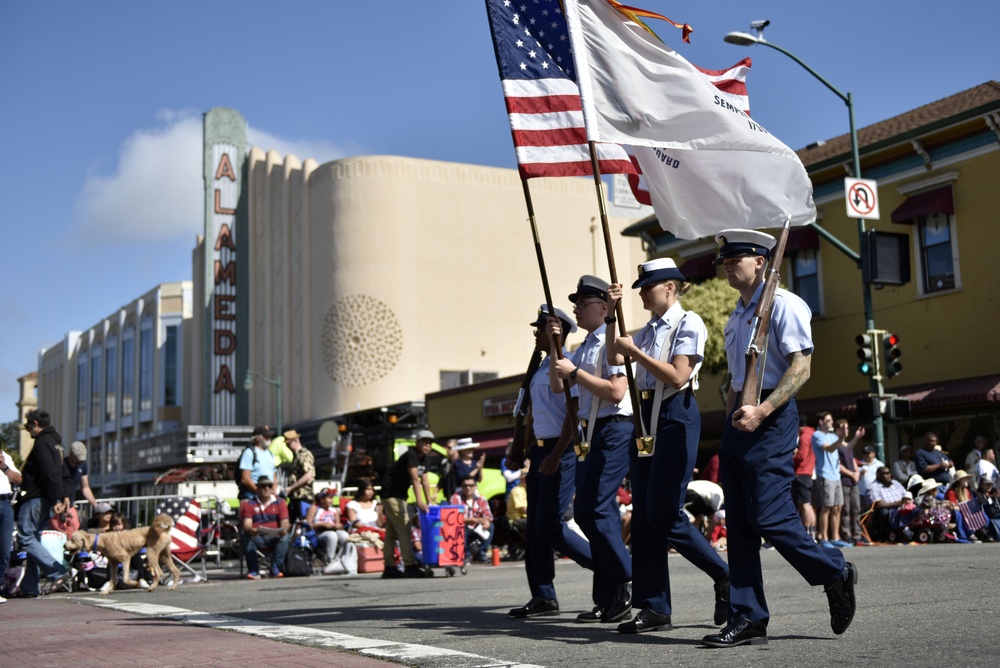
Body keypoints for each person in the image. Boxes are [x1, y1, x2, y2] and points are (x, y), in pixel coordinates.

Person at [702, 230, 856, 649]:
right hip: (739, 422)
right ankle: (748, 615)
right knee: (740, 527)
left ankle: (834, 570)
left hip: (771, 418)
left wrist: (763, 411)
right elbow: (737, 379)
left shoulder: (785, 305)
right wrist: (729, 425)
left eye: (738, 258)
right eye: (725, 260)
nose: (729, 266)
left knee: (769, 516)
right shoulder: (736, 316)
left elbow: (801, 368)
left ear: (761, 261)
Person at [607, 260, 731, 633]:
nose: (642, 291)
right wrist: (614, 315)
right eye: (640, 286)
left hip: (675, 414)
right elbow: (615, 357)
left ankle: (724, 574)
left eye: (649, 285)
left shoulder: (688, 323)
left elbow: (677, 375)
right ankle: (654, 606)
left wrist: (636, 353)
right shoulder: (647, 330)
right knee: (644, 515)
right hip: (645, 415)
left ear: (671, 287)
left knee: (664, 511)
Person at [549, 275, 633, 625]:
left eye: (583, 304)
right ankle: (609, 595)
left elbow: (615, 392)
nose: (576, 309)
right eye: (576, 304)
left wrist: (576, 371)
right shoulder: (584, 346)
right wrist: (557, 345)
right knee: (595, 513)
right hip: (591, 431)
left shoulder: (610, 342)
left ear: (603, 307)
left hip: (614, 427)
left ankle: (628, 579)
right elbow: (558, 386)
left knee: (591, 509)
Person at [508, 304, 594, 620]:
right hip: (541, 453)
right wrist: (523, 448)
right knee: (535, 529)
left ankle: (608, 568)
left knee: (551, 525)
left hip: (563, 451)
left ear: (555, 332)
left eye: (540, 328)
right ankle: (543, 595)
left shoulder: (566, 367)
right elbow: (535, 417)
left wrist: (557, 454)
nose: (535, 333)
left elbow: (573, 417)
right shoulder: (541, 368)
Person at [14, 409, 73, 598]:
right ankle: (30, 586)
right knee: (34, 540)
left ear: (36, 424)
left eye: (28, 426)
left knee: (25, 537)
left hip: (35, 497)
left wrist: (56, 497)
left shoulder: (42, 443)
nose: (28, 430)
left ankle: (58, 571)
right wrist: (62, 496)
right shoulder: (56, 445)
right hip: (45, 498)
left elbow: (49, 473)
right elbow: (63, 474)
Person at [380, 430, 434, 578]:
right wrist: (420, 501)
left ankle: (389, 568)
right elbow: (415, 479)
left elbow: (425, 481)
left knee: (391, 533)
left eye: (429, 443)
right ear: (417, 443)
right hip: (391, 493)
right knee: (405, 528)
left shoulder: (424, 459)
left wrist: (430, 501)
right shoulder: (412, 455)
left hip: (399, 495)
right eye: (424, 442)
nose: (427, 445)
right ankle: (410, 566)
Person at [240, 475, 291, 579]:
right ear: (257, 488)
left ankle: (275, 567)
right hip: (257, 536)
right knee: (247, 536)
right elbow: (247, 524)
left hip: (275, 536)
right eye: (263, 486)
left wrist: (283, 530)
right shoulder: (248, 504)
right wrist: (251, 529)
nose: (267, 488)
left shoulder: (281, 503)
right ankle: (254, 570)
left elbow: (285, 522)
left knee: (285, 537)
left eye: (269, 486)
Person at [812, 413, 845, 547]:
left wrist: (856, 437)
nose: (831, 422)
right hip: (825, 474)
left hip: (836, 476)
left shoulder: (833, 436)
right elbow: (830, 449)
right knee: (827, 506)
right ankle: (824, 537)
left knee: (837, 507)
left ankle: (835, 538)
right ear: (821, 422)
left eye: (832, 419)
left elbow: (847, 448)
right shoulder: (817, 435)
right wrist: (842, 437)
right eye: (828, 420)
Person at [305, 488, 351, 574]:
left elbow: (338, 524)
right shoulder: (315, 508)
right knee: (332, 536)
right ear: (322, 499)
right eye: (329, 498)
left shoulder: (334, 510)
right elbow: (308, 524)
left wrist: (338, 525)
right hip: (318, 532)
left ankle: (344, 558)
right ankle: (330, 560)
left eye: (332, 498)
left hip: (333, 530)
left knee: (344, 535)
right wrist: (322, 524)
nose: (332, 500)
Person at [450, 475, 495, 563]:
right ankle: (466, 555)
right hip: (463, 527)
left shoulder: (481, 498)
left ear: (475, 487)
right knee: (460, 527)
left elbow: (489, 515)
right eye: (465, 486)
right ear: (461, 487)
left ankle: (482, 554)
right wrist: (473, 520)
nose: (468, 488)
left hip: (477, 528)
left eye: (471, 485)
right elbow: (454, 518)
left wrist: (486, 521)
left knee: (491, 526)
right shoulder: (455, 498)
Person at [0, 447, 23, 603]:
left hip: (5, 503)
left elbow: (19, 479)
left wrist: (4, 466)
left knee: (4, 549)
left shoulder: (5, 457)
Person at [837, 421, 864, 547]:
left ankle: (857, 535)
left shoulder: (847, 445)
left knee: (856, 509)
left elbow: (853, 461)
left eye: (847, 428)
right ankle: (846, 534)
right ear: (837, 430)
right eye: (843, 428)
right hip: (844, 481)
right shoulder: (836, 445)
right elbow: (838, 465)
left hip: (853, 482)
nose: (846, 430)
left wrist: (857, 472)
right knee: (845, 510)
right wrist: (851, 474)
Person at [865, 467, 906, 541]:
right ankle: (884, 535)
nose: (889, 475)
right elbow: (877, 505)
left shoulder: (896, 483)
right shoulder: (873, 487)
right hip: (884, 513)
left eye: (889, 473)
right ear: (879, 475)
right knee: (884, 512)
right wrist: (897, 503)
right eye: (886, 474)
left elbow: (906, 495)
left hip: (901, 508)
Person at [283, 430, 315, 523]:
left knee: (302, 522)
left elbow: (308, 474)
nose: (287, 446)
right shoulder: (296, 456)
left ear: (296, 440)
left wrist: (291, 488)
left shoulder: (304, 454)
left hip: (303, 496)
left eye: (289, 443)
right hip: (296, 497)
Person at [793, 414, 817, 541]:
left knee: (804, 505)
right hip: (808, 472)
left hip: (801, 473)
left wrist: (790, 458)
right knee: (807, 504)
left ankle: (808, 535)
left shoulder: (804, 436)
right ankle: (812, 534)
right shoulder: (812, 434)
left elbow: (801, 456)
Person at [238, 425, 277, 500]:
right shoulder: (249, 453)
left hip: (268, 496)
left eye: (269, 436)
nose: (269, 439)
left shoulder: (270, 453)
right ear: (257, 438)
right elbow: (245, 478)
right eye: (266, 436)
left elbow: (274, 475)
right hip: (252, 496)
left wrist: (273, 490)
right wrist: (259, 492)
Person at [62, 441, 98, 512]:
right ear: (71, 455)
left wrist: (96, 506)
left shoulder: (83, 465)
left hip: (71, 505)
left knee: (76, 523)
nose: (79, 462)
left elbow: (85, 488)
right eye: (77, 459)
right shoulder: (62, 465)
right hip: (59, 505)